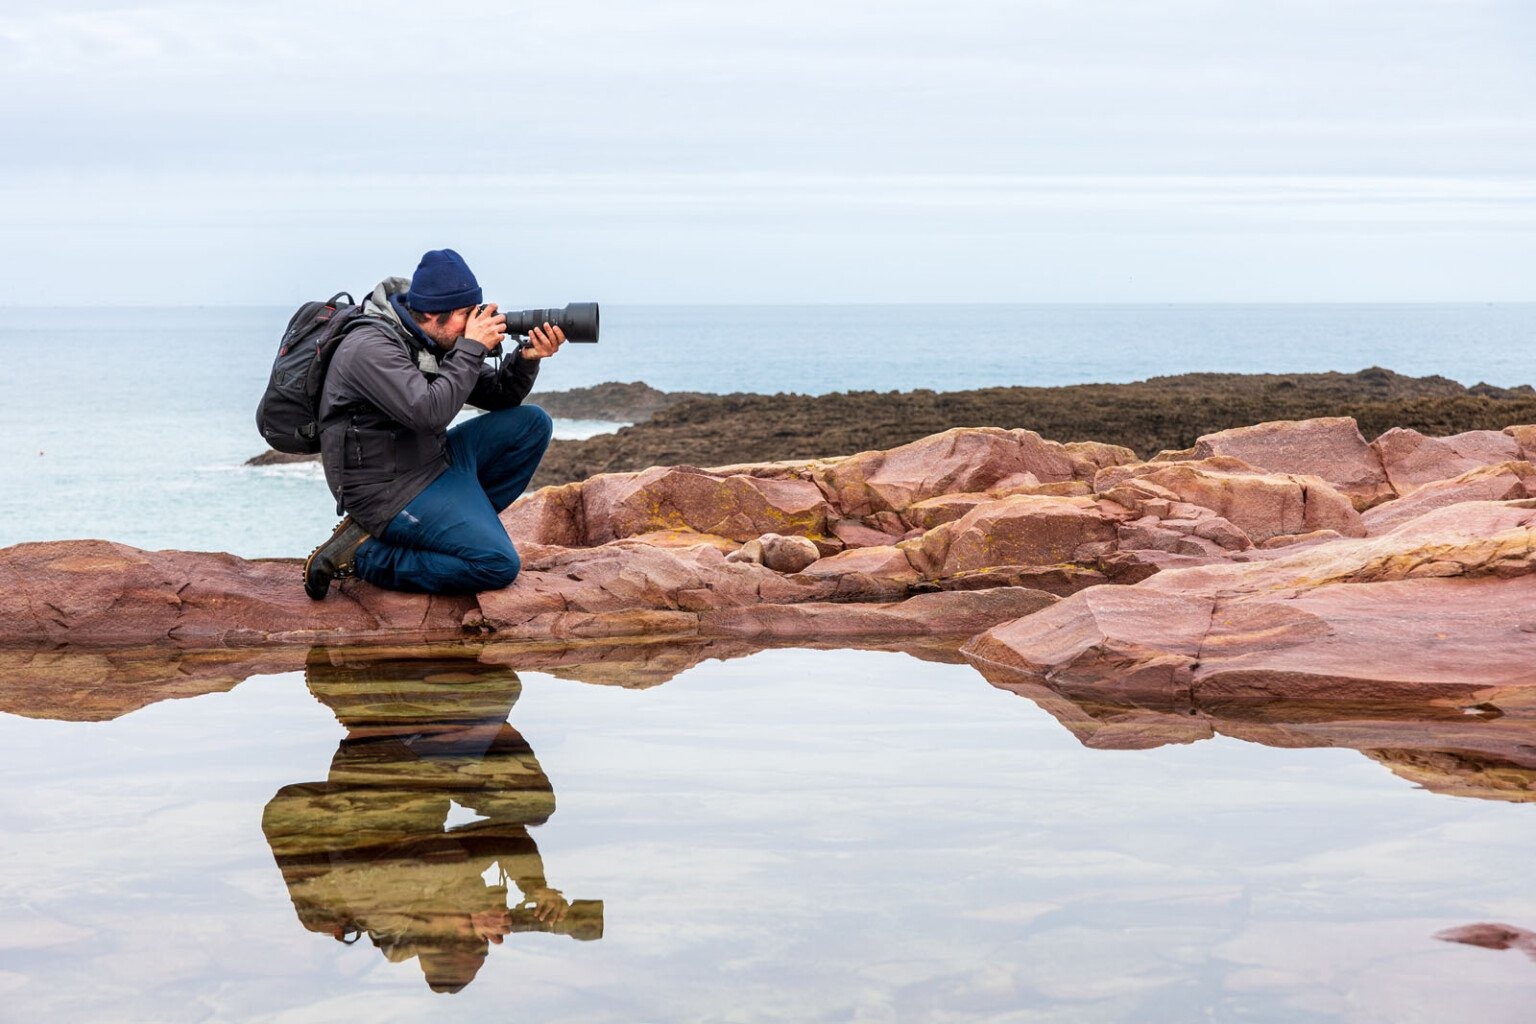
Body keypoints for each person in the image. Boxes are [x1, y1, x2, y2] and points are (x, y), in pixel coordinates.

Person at [303, 248, 564, 599]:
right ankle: (364, 554)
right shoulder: (369, 348)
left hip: (431, 461)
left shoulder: (430, 337)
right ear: (430, 312)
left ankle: (449, 530)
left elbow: (500, 396)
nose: (474, 322)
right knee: (498, 564)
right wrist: (471, 348)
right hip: (385, 488)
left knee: (532, 424)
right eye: (466, 315)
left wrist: (527, 358)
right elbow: (428, 414)